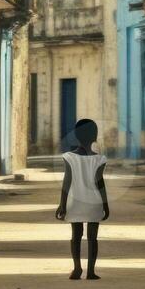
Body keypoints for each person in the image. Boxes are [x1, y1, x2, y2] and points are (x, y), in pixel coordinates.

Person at [54, 118, 109, 280]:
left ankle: (77, 268)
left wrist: (62, 204)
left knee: (76, 236)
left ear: (76, 136)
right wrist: (105, 204)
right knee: (93, 238)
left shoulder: (69, 157)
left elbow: (67, 182)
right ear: (95, 137)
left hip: (75, 202)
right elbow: (100, 184)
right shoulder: (100, 159)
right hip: (94, 203)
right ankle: (91, 271)